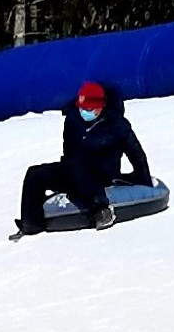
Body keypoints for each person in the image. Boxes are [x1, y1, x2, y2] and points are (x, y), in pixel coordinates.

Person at [9, 81, 152, 240]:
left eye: (89, 109)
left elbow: (136, 153)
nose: (85, 112)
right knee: (35, 174)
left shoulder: (116, 124)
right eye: (82, 108)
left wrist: (143, 177)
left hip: (102, 172)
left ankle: (100, 210)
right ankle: (31, 224)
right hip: (73, 170)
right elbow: (68, 149)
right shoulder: (73, 119)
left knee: (74, 166)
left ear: (101, 106)